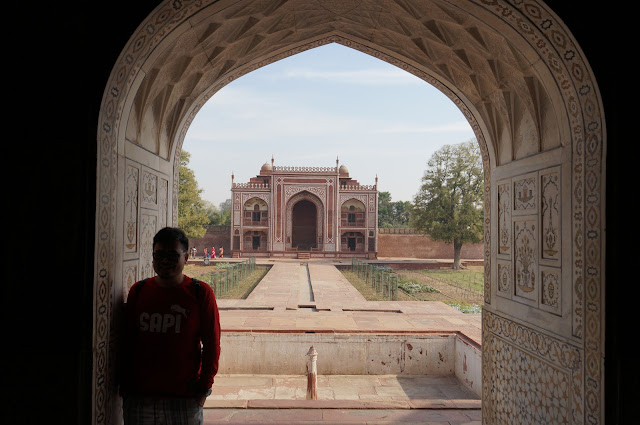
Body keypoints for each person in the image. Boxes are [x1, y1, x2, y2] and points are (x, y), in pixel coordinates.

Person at [120, 227, 221, 425]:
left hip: (184, 398)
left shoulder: (200, 293)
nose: (165, 260)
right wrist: (126, 386)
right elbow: (127, 341)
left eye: (173, 255)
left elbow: (212, 345)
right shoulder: (139, 291)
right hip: (141, 397)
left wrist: (203, 389)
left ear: (186, 258)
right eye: (159, 255)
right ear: (153, 257)